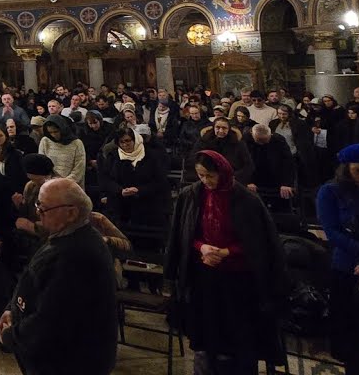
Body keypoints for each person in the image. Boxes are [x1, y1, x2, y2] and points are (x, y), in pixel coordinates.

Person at [167, 150, 286, 374]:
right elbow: (184, 233)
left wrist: (224, 251)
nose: (206, 181)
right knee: (207, 330)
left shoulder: (246, 199)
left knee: (237, 335)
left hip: (238, 277)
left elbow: (257, 242)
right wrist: (201, 247)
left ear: (223, 172)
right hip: (204, 273)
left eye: (210, 175)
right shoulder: (192, 194)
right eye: (201, 175)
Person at [0, 178, 118, 375]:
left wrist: (11, 336)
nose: (38, 213)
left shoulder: (76, 256)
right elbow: (32, 281)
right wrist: (12, 308)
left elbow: (51, 323)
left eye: (43, 208)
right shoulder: (66, 235)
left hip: (69, 363)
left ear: (71, 213)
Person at [317, 144, 359, 375]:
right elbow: (333, 232)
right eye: (358, 171)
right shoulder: (330, 191)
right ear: (346, 169)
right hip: (345, 263)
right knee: (347, 321)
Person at [97, 130, 169, 231]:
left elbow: (160, 182)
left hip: (147, 204)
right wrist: (120, 190)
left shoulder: (152, 156)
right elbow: (105, 179)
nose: (125, 145)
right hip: (120, 204)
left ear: (135, 140)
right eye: (121, 142)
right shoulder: (113, 157)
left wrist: (139, 190)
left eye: (128, 141)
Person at [38, 114, 85, 184]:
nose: (53, 135)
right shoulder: (45, 141)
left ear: (62, 129)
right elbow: (42, 164)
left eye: (56, 131)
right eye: (50, 132)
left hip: (72, 185)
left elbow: (79, 168)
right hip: (51, 184)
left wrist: (64, 182)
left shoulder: (76, 143)